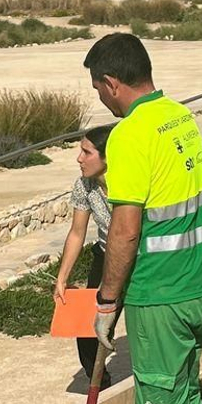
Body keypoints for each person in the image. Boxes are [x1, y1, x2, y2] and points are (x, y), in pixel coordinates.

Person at [84, 33, 202, 404]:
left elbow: (124, 230)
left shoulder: (130, 134)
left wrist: (107, 301)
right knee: (186, 395)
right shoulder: (179, 118)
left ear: (111, 83)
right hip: (200, 286)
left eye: (98, 89)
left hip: (160, 294)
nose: (101, 99)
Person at [52, 124, 115, 382]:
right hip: (105, 254)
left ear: (107, 157)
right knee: (87, 325)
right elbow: (77, 233)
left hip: (140, 257)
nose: (79, 158)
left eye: (87, 153)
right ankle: (99, 383)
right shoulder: (84, 185)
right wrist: (62, 277)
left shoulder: (129, 181)